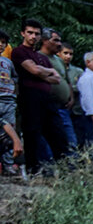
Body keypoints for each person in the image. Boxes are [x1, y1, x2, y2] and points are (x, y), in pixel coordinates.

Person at [11, 19, 66, 174]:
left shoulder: (42, 57)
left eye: (36, 34)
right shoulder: (19, 51)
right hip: (29, 97)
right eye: (30, 32)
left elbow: (56, 78)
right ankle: (32, 171)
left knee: (58, 134)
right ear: (23, 33)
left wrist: (41, 71)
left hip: (47, 98)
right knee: (32, 134)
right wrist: (42, 72)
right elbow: (34, 70)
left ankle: (63, 172)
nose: (33, 36)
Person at [0, 36, 22, 171]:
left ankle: (8, 165)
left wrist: (14, 93)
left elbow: (15, 78)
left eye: (3, 43)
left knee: (9, 134)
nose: (1, 45)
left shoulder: (8, 62)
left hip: (9, 100)